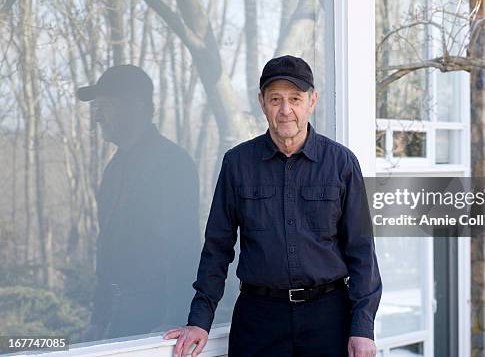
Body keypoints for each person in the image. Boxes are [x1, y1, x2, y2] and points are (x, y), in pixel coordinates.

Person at [164, 56, 382, 357]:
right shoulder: (238, 164)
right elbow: (217, 247)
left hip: (329, 319)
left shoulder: (341, 163)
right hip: (258, 321)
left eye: (295, 98)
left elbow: (362, 251)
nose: (285, 110)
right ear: (262, 102)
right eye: (275, 99)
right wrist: (200, 320)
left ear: (312, 101)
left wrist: (362, 327)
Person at [77, 65, 201, 341]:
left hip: (157, 325)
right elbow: (106, 248)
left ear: (135, 107)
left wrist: (174, 319)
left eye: (104, 106)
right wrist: (99, 319)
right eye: (95, 107)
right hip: (119, 318)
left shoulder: (172, 163)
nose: (97, 117)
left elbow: (184, 248)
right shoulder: (114, 169)